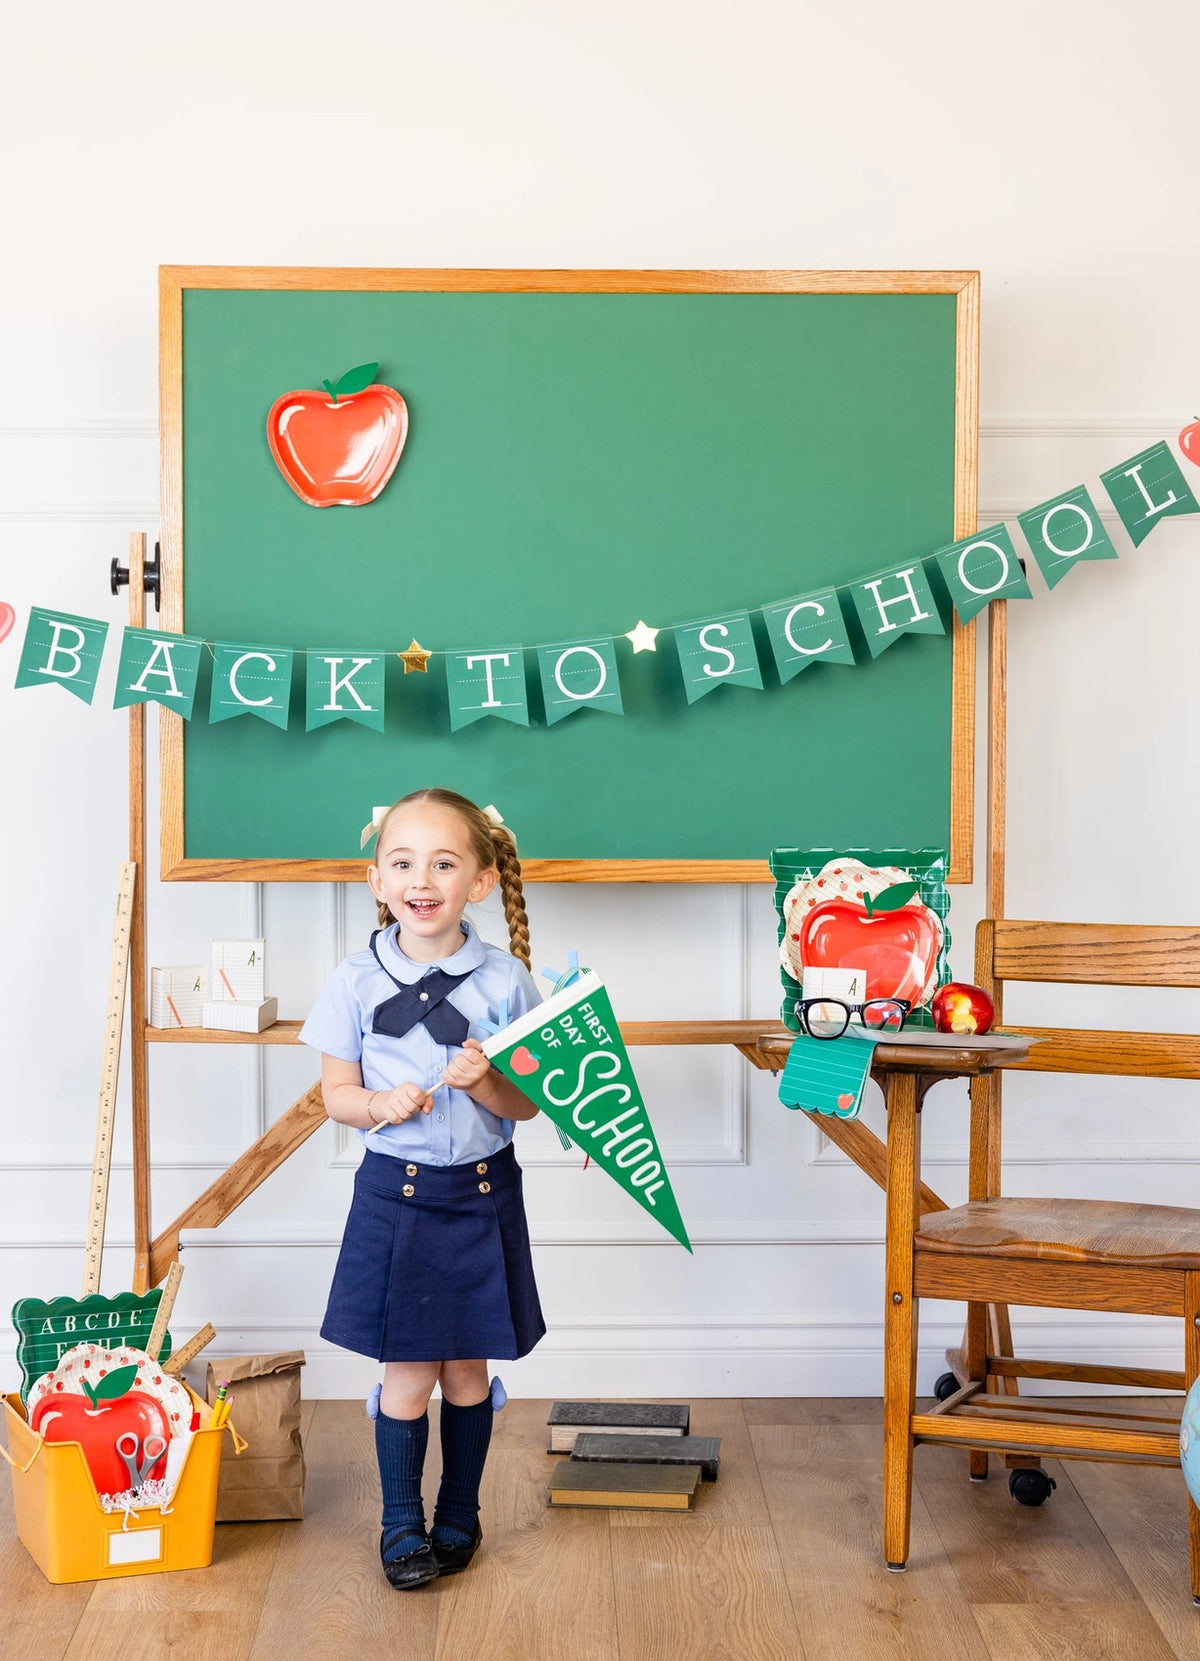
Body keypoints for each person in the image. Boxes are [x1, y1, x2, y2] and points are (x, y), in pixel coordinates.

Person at [299, 787, 545, 1589]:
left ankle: (459, 1512)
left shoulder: (508, 982)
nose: (422, 878)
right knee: (408, 1371)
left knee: (467, 1370)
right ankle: (400, 1521)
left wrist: (485, 1084)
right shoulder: (355, 979)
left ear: (478, 881)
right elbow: (334, 1093)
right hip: (394, 1197)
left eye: (445, 862)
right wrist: (376, 1103)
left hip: (481, 1194)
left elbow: (530, 1103)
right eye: (403, 862)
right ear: (377, 878)